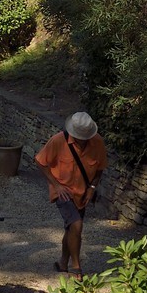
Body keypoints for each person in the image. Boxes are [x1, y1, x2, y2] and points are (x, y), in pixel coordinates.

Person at [35, 111, 107, 279]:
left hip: (82, 193)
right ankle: (77, 267)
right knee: (76, 225)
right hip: (63, 191)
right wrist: (57, 185)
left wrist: (92, 187)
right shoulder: (58, 140)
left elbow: (100, 168)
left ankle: (62, 263)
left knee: (70, 229)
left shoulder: (98, 143)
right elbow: (40, 161)